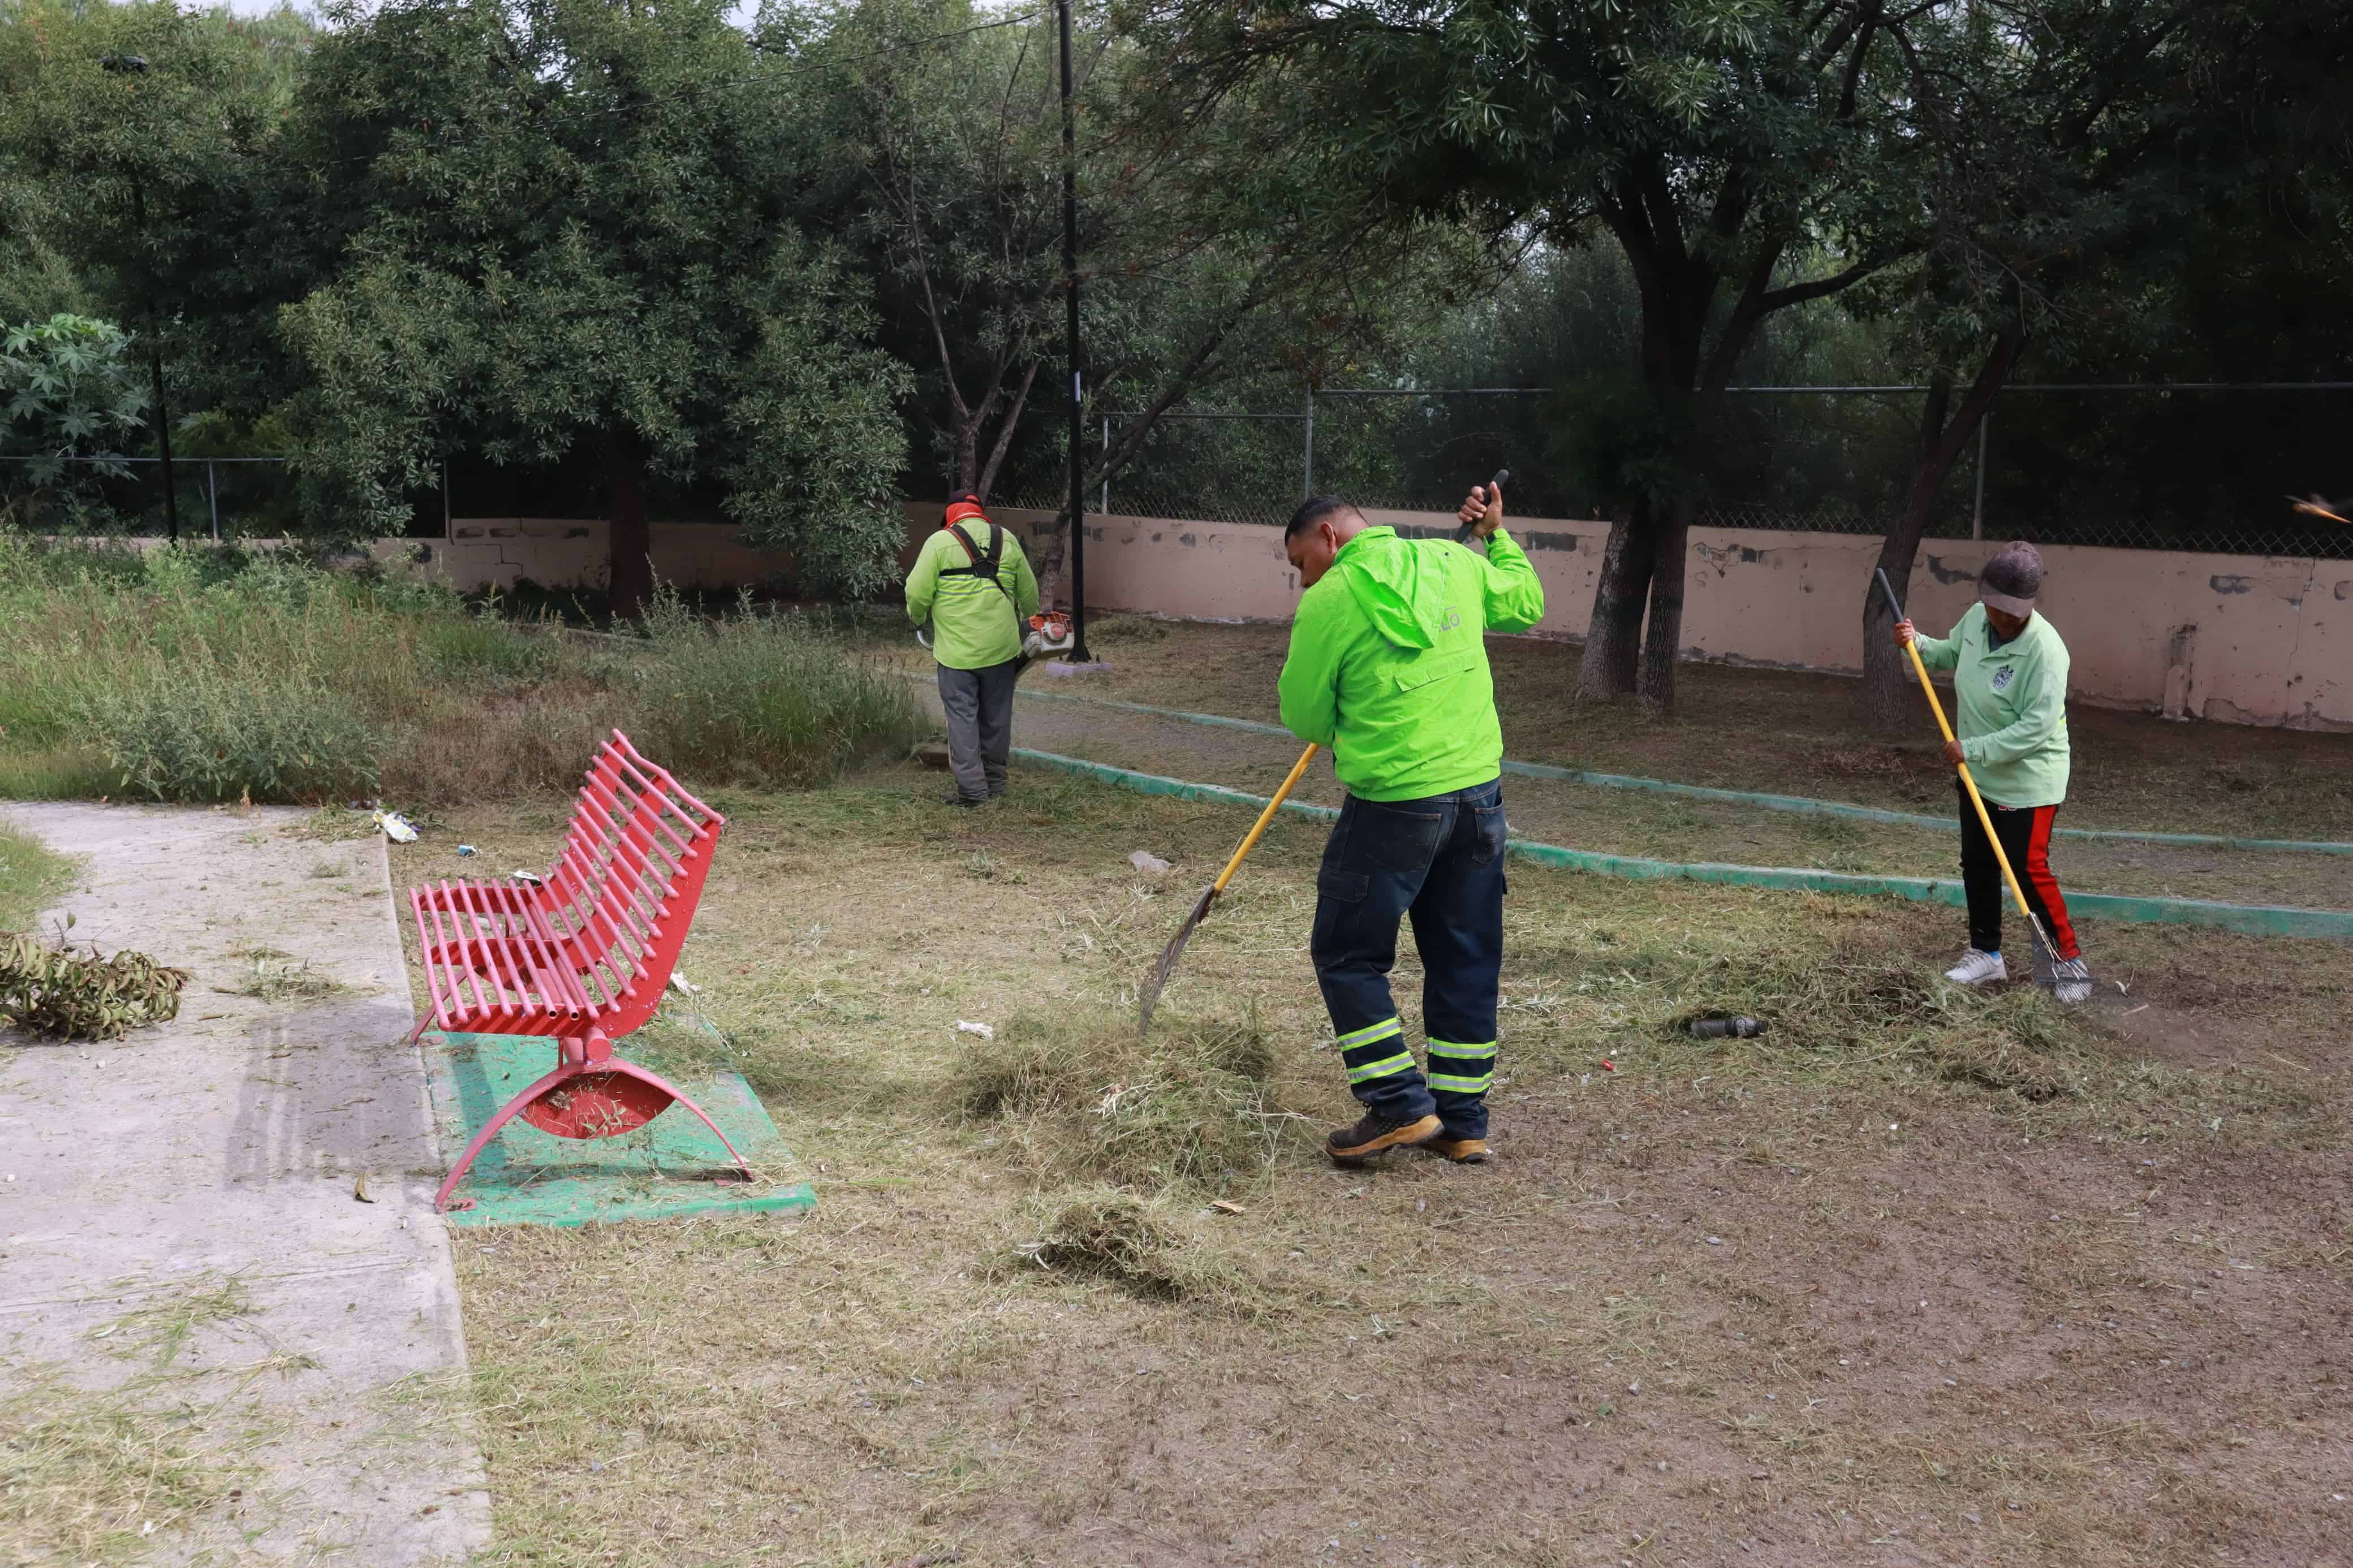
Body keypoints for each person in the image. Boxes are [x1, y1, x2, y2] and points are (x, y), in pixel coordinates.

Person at [1277, 481, 1546, 1166]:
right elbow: (1524, 602)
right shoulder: (1453, 561)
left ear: (1329, 537)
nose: (1303, 579)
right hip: (1479, 799)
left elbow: (1304, 717)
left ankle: (1397, 1103)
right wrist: (1493, 535)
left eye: (1301, 562)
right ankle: (1461, 1121)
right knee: (1464, 955)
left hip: (1395, 804)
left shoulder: (1329, 600)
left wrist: (1342, 711)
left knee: (1345, 952)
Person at [1893, 541, 2091, 1004]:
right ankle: (1986, 953)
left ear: (2028, 605)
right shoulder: (1975, 622)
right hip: (1977, 774)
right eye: (1993, 605)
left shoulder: (2046, 651)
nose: (2000, 617)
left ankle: (2067, 963)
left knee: (2028, 870)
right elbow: (1949, 654)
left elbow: (2035, 728)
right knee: (1978, 863)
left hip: (2028, 781)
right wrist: (1916, 643)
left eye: (2010, 611)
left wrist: (1974, 748)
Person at [905, 491, 1040, 807]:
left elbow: (917, 592)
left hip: (957, 655)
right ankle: (995, 784)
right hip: (1002, 651)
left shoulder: (939, 543)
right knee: (997, 718)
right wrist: (1027, 623)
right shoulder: (1006, 539)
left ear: (951, 515)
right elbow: (1029, 593)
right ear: (980, 512)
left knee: (962, 719)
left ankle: (973, 792)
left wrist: (918, 618)